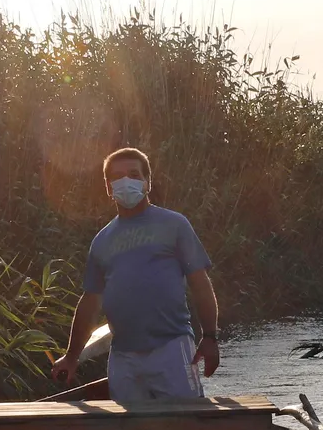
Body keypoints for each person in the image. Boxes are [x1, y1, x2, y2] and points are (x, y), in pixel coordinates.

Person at [50, 147, 220, 400]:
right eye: (117, 177)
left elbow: (200, 284)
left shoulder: (174, 225)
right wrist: (72, 356)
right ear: (108, 187)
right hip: (123, 357)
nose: (125, 181)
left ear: (147, 182)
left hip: (172, 348)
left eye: (133, 173)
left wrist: (210, 337)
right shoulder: (102, 240)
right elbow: (90, 301)